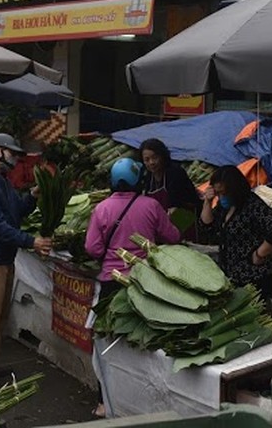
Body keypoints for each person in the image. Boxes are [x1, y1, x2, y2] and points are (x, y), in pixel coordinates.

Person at [85, 157, 180, 419]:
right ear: (139, 181)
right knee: (144, 343)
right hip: (145, 285)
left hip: (110, 286)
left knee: (106, 344)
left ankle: (104, 402)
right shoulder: (152, 205)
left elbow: (92, 248)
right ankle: (144, 402)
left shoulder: (102, 209)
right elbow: (172, 237)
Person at [0, 133, 51, 388]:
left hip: (3, 260)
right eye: (12, 152)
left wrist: (34, 195)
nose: (15, 157)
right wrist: (31, 241)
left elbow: (17, 211)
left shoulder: (1, 181)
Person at [199, 165, 272, 298]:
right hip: (232, 275)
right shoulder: (224, 207)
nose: (222, 197)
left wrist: (259, 255)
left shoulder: (252, 205)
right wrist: (207, 201)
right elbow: (208, 227)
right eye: (219, 194)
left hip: (253, 277)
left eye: (224, 193)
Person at [139, 138, 200, 217]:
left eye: (155, 158)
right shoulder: (148, 176)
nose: (151, 162)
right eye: (147, 160)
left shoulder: (175, 172)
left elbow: (187, 201)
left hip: (184, 217)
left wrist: (175, 208)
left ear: (162, 156)